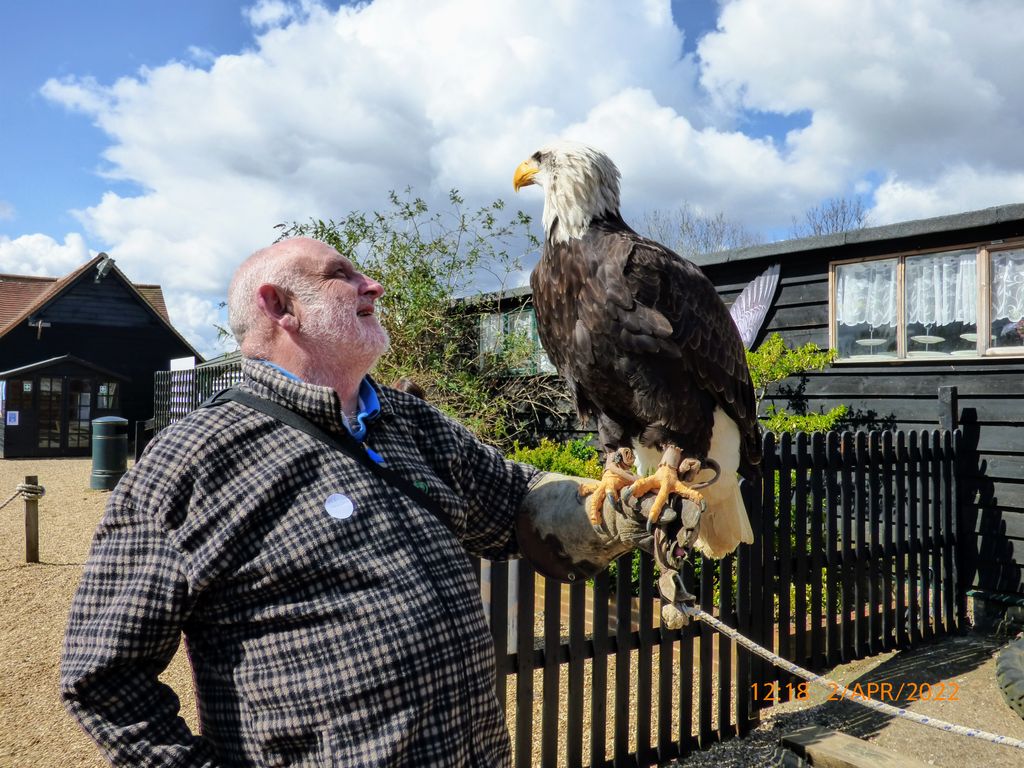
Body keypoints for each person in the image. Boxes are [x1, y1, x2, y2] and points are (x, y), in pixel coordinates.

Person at [60, 237, 662, 767]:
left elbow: (517, 504)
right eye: (340, 274)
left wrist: (623, 506)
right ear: (280, 306)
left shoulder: (410, 423)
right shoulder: (191, 460)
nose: (372, 283)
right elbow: (102, 678)